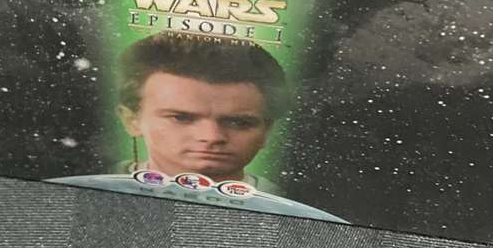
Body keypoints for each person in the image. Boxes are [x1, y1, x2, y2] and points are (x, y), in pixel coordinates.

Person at [48, 32, 345, 222]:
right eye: (181, 118)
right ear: (131, 120)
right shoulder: (73, 193)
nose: (211, 138)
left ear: (267, 131)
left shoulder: (301, 210)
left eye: (239, 122)